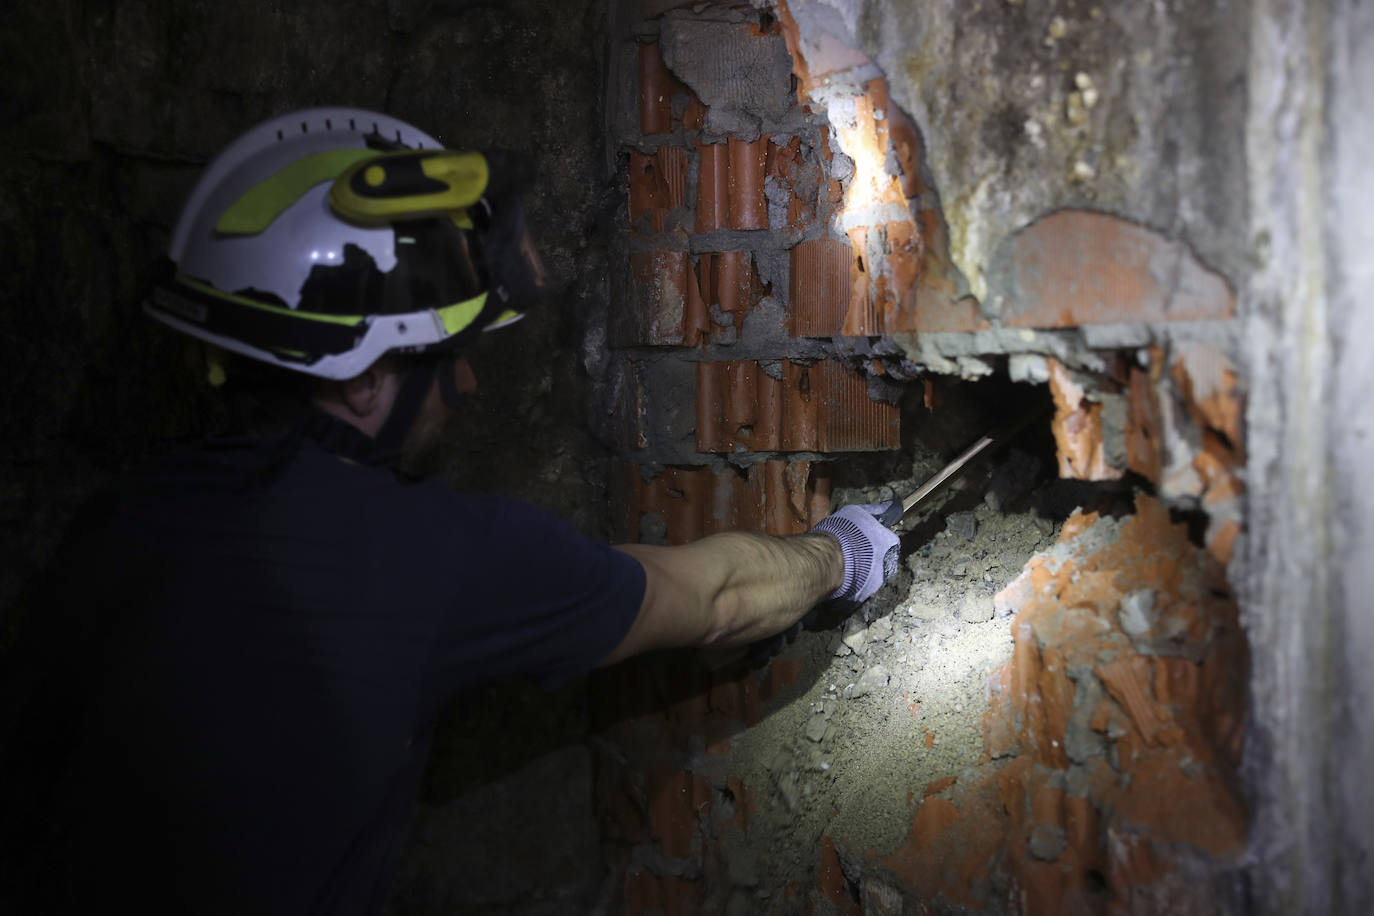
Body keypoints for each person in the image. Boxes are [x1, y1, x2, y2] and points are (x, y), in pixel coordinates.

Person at [6, 108, 899, 914]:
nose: (468, 383)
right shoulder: (423, 561)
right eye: (450, 353)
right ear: (363, 380)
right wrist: (839, 554)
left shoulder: (123, 522)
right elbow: (714, 599)